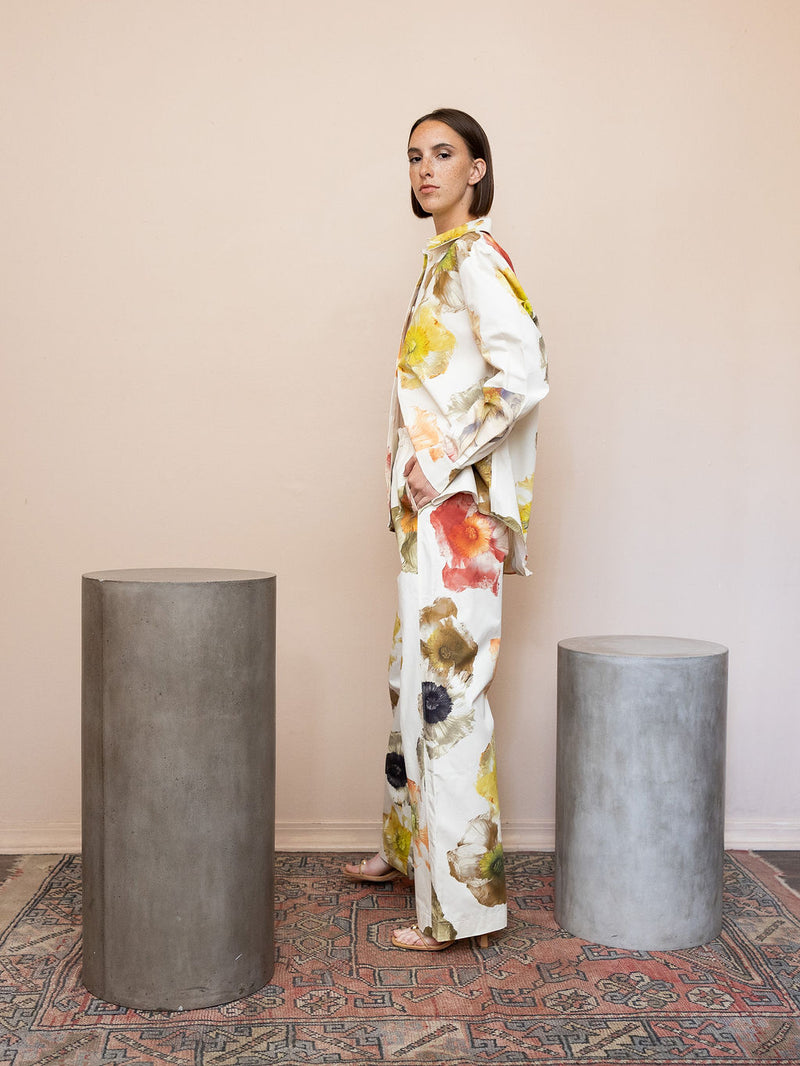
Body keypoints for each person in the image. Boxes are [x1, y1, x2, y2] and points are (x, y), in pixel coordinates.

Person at [344, 108, 549, 951]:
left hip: (457, 522)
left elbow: (525, 375)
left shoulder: (476, 259)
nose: (425, 170)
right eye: (414, 158)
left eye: (442, 155)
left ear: (477, 168)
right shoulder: (440, 259)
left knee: (448, 701)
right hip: (427, 515)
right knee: (409, 679)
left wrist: (446, 463)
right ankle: (407, 852)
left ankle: (460, 909)